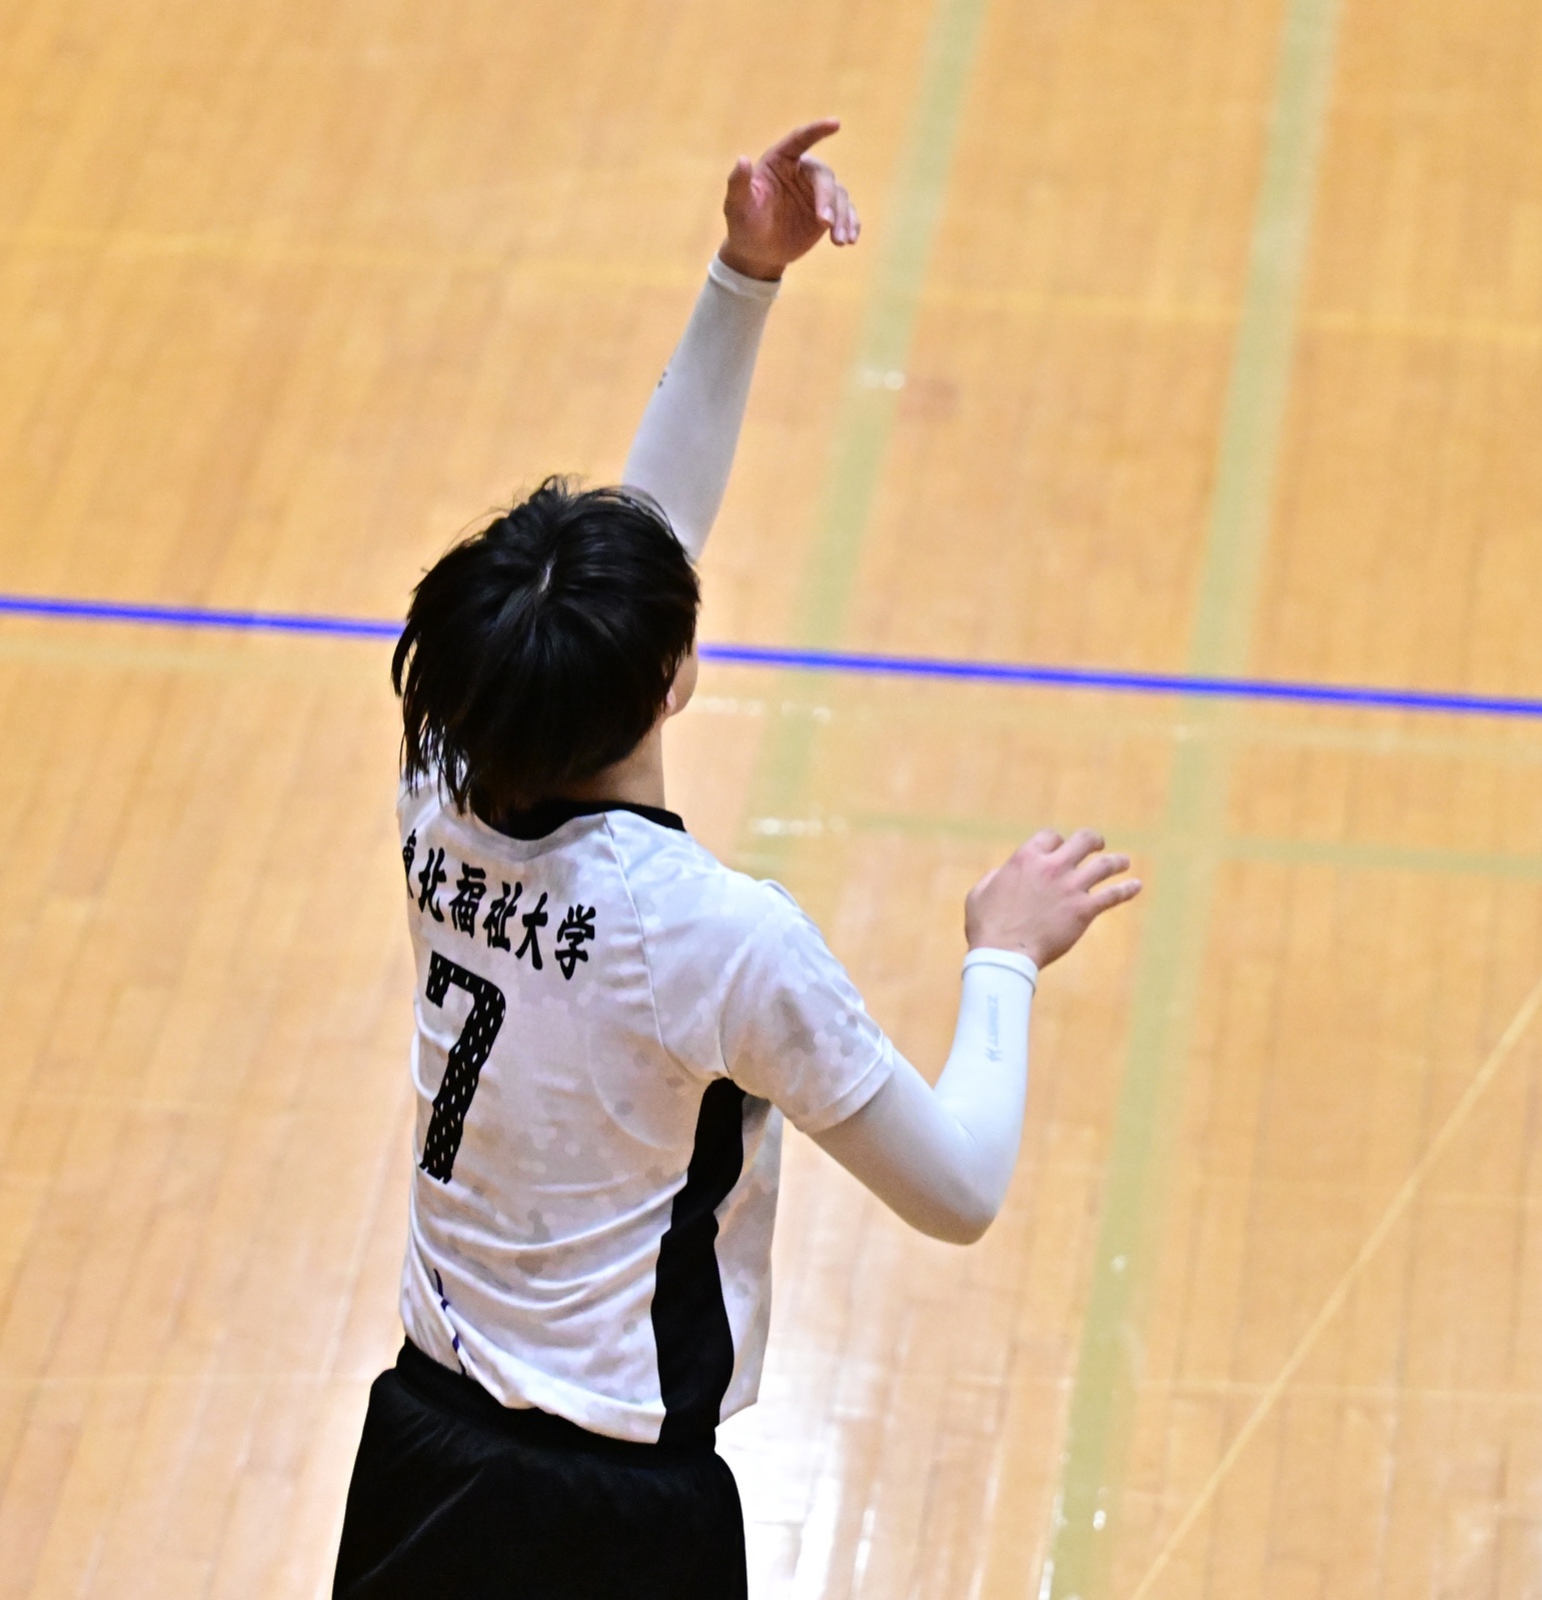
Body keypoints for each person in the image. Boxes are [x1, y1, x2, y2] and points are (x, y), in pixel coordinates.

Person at [332, 119, 1142, 1599]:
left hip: (418, 1456)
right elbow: (959, 1189)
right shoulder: (714, 938)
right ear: (675, 680)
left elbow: (639, 553)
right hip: (616, 1517)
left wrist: (742, 276)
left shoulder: (437, 782)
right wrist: (1003, 958)